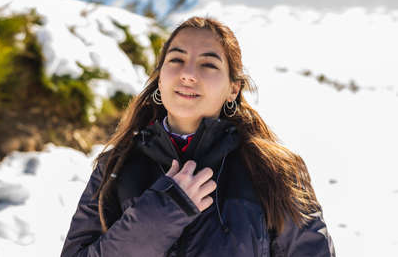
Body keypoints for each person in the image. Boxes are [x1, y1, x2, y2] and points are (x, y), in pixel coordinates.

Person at [61, 17, 335, 257]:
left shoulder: (277, 171)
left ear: (233, 89)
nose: (188, 74)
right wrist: (160, 213)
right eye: (176, 60)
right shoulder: (116, 166)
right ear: (160, 78)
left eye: (208, 64)